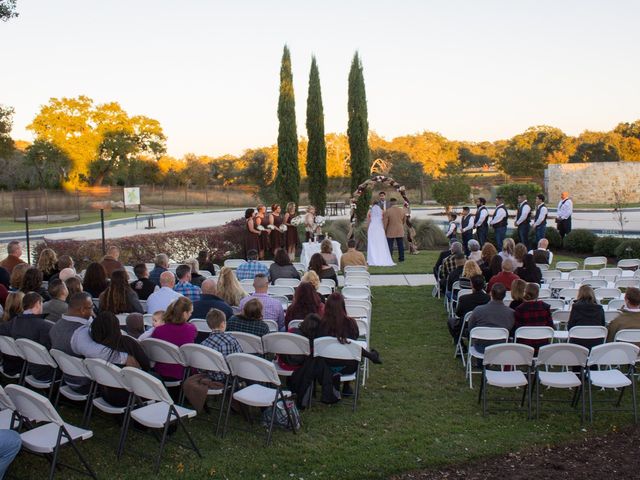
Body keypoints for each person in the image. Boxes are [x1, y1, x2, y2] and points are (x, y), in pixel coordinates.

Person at [81, 311, 150, 406]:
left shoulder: (92, 348)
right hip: (130, 394)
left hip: (106, 394)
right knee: (156, 378)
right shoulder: (127, 342)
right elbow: (145, 365)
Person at [183, 308, 242, 413]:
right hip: (227, 377)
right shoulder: (231, 340)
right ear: (223, 323)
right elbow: (239, 358)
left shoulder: (204, 344)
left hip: (210, 376)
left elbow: (201, 368)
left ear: (209, 325)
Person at [50, 292, 97, 393]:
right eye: (91, 307)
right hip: (86, 383)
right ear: (82, 310)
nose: (93, 310)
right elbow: (101, 355)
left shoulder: (56, 326)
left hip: (67, 378)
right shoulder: (81, 333)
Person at [0, 292, 52, 380]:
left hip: (23, 366)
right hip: (41, 370)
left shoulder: (14, 322)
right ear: (37, 304)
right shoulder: (45, 326)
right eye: (41, 304)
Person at [151, 297, 197, 381]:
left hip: (160, 371)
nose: (191, 315)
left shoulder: (158, 330)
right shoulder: (191, 329)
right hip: (182, 372)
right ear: (184, 313)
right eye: (190, 312)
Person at [468, 283, 515, 353]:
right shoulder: (511, 313)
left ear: (491, 294)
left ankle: (481, 363)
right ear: (505, 295)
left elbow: (470, 328)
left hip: (482, 347)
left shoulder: (478, 310)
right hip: (500, 347)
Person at [513, 283, 554, 352]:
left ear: (524, 293)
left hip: (525, 345)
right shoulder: (544, 307)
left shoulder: (520, 309)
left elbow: (517, 328)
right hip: (542, 344)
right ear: (538, 294)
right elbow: (550, 325)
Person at [449, 274, 490, 341]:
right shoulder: (488, 298)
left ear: (472, 285)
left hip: (467, 324)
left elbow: (458, 314)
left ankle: (460, 344)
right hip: (484, 323)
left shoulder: (464, 299)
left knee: (451, 321)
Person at [568, 285, 605, 350]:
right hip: (596, 342)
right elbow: (602, 326)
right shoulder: (599, 308)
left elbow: (570, 327)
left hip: (578, 342)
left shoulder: (575, 308)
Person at [367, 200, 395, 267]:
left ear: (373, 204)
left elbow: (368, 220)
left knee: (372, 243)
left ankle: (372, 258)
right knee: (381, 243)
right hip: (379, 228)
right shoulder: (382, 211)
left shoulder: (369, 211)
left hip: (372, 228)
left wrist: (368, 229)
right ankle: (382, 257)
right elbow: (384, 220)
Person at [383, 197, 406, 262]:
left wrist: (384, 230)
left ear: (390, 203)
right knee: (400, 245)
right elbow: (404, 221)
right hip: (400, 229)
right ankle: (401, 258)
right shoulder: (402, 210)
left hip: (390, 230)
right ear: (396, 202)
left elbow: (385, 223)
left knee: (390, 245)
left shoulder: (388, 211)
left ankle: (389, 258)